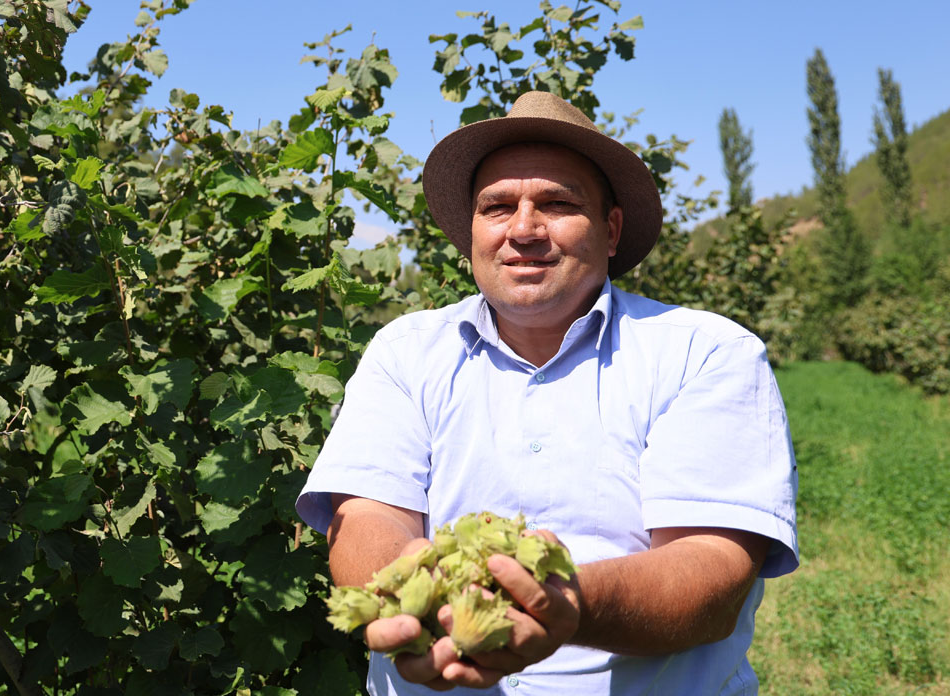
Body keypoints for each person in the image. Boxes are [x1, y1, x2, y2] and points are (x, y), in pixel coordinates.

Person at [295, 90, 798, 695]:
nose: (524, 229)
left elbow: (711, 570)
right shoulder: (406, 351)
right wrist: (409, 605)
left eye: (557, 204)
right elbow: (368, 513)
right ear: (472, 232)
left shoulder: (705, 354)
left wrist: (567, 604)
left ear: (610, 230)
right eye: (498, 206)